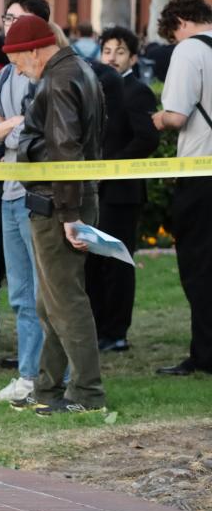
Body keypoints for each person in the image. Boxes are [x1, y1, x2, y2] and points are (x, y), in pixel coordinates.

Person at [4, 14, 107, 414]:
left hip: (58, 203)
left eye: (16, 59)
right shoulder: (80, 70)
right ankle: (49, 389)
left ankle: (87, 393)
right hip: (68, 199)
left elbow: (65, 149)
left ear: (33, 50)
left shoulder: (57, 79)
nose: (16, 68)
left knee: (65, 300)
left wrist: (68, 215)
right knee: (53, 302)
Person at [0, 0, 50, 403]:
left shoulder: (49, 74)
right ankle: (25, 375)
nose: (9, 26)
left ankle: (49, 374)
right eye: (6, 18)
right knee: (19, 292)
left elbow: (38, 135)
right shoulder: (3, 77)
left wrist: (7, 128)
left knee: (45, 290)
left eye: (17, 19)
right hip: (8, 191)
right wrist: (6, 127)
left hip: (41, 194)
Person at [86, 26, 159, 353]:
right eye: (107, 51)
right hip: (94, 192)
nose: (112, 57)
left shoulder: (137, 91)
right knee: (93, 263)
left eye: (119, 51)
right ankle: (98, 326)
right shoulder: (94, 87)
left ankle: (116, 332)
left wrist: (112, 168)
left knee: (116, 263)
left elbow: (147, 138)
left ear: (132, 56)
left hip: (121, 194)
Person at [152, 0, 212, 378]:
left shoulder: (189, 50)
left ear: (180, 24)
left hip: (200, 173)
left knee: (199, 267)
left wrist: (156, 119)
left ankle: (205, 354)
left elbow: (176, 115)